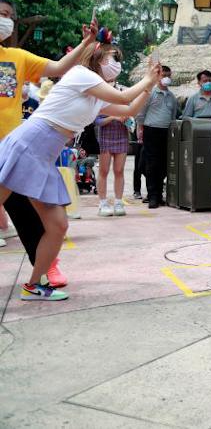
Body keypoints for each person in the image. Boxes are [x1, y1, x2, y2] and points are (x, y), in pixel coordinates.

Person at [0, 40, 159, 301]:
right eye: (112, 57)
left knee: (58, 226)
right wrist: (147, 78)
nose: (115, 63)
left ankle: (33, 286)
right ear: (95, 58)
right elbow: (123, 96)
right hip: (28, 144)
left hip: (44, 155)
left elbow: (128, 109)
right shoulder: (80, 74)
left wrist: (150, 84)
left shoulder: (95, 96)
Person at [0, 0, 98, 284]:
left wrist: (84, 43)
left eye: (8, 16)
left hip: (13, 151)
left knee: (31, 217)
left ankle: (44, 269)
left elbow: (57, 67)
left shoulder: (17, 57)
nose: (4, 19)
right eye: (0, 14)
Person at [94, 45, 131, 217]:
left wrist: (127, 119)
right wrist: (114, 117)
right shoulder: (99, 90)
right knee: (103, 170)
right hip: (106, 136)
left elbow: (130, 113)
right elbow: (97, 120)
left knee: (119, 170)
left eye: (116, 61)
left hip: (122, 135)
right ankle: (102, 203)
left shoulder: (124, 89)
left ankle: (118, 202)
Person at [136, 65, 179, 209]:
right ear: (158, 76)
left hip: (166, 132)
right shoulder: (150, 93)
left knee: (164, 164)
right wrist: (140, 127)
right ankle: (152, 195)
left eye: (168, 74)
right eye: (163, 74)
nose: (166, 77)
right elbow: (141, 112)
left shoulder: (172, 97)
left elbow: (173, 117)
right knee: (151, 164)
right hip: (151, 130)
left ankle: (159, 194)